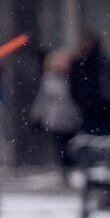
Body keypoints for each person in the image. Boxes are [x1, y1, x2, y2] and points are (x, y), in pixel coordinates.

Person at [31, 49, 82, 179]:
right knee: (60, 146)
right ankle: (64, 170)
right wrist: (37, 115)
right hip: (55, 119)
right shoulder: (48, 79)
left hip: (71, 118)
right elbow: (42, 99)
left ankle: (70, 169)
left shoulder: (73, 78)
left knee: (71, 146)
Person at [67, 31, 110, 136]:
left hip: (98, 113)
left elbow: (75, 89)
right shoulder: (101, 62)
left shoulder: (86, 63)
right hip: (102, 112)